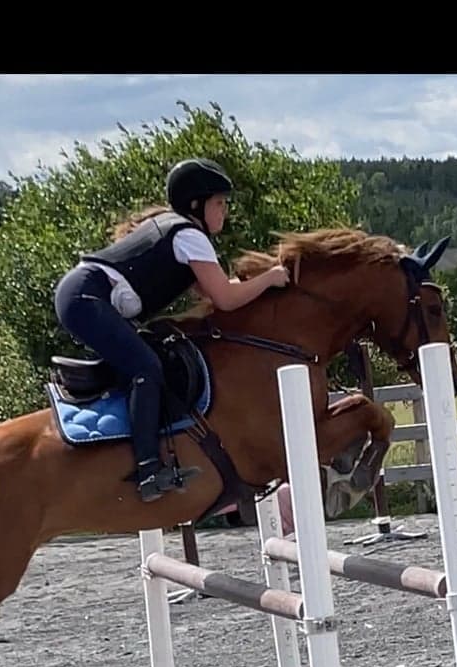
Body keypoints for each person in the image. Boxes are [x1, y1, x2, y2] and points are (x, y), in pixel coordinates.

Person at [53, 157, 290, 502]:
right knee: (146, 367)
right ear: (197, 204)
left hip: (83, 293)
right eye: (219, 203)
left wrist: (261, 286)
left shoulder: (180, 231)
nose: (225, 211)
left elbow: (217, 291)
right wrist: (270, 277)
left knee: (145, 362)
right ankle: (148, 469)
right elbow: (225, 298)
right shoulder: (190, 236)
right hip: (85, 296)